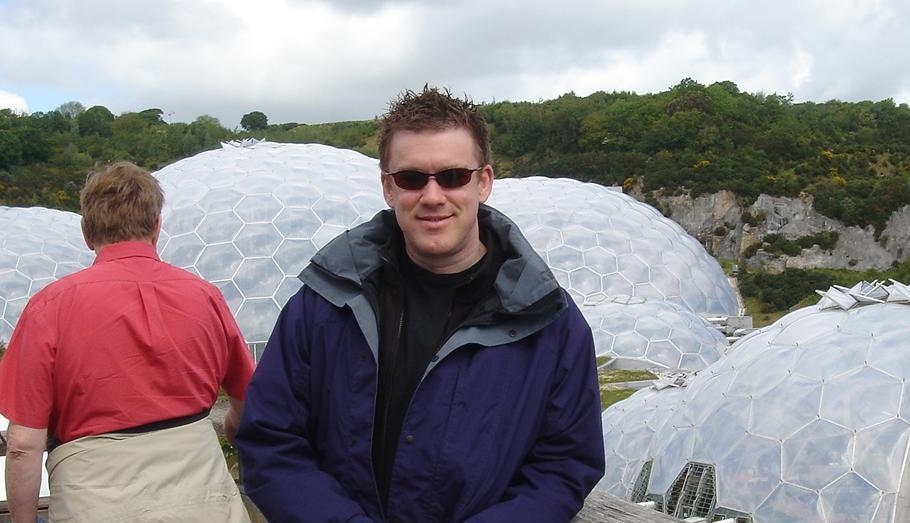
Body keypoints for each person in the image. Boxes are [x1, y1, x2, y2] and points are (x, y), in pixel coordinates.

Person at [236, 87, 605, 522]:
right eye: (412, 178)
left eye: (452, 176)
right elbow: (270, 440)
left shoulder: (549, 322)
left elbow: (564, 466)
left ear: (483, 182)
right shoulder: (324, 304)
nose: (432, 196)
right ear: (388, 187)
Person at [0, 162, 255, 522]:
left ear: (87, 232)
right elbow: (248, 406)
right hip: (205, 497)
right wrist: (230, 429)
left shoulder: (49, 306)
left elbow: (23, 446)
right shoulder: (204, 297)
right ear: (156, 227)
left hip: (94, 502)